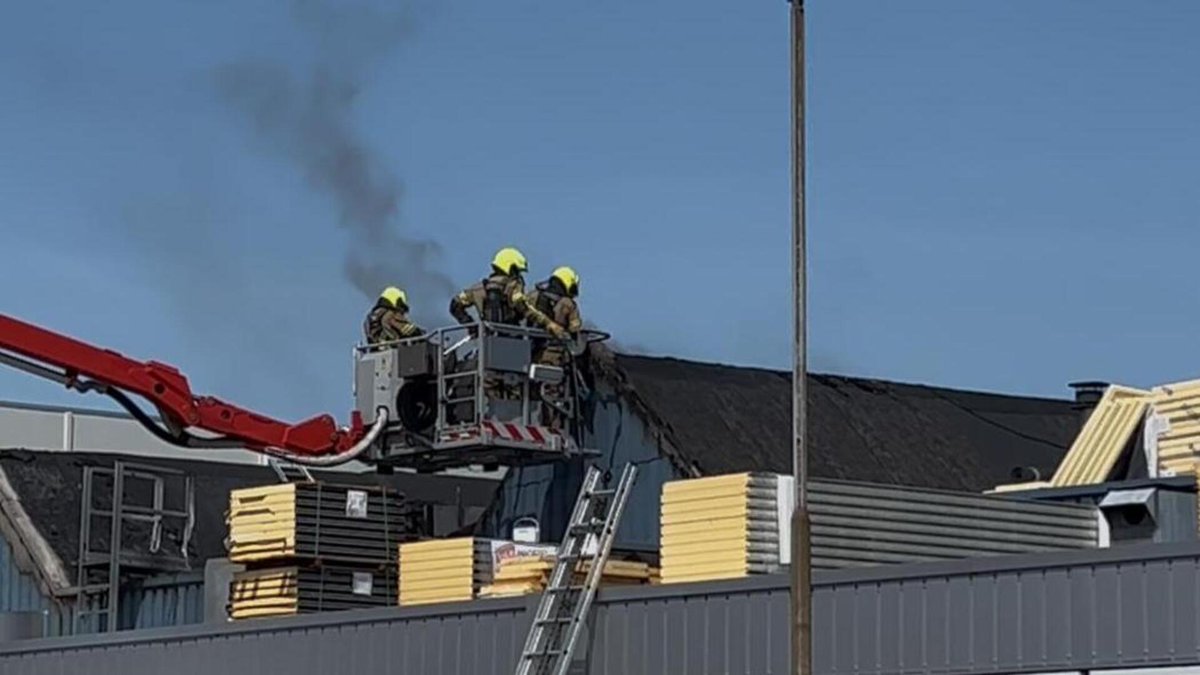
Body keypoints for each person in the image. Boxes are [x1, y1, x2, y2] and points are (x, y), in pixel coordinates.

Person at [449, 247, 565, 337]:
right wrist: (550, 324)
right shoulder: (512, 287)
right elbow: (525, 309)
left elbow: (455, 305)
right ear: (510, 268)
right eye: (516, 271)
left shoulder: (477, 289)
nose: (518, 276)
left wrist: (472, 327)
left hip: (487, 342)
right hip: (512, 341)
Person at [528, 266, 583, 430]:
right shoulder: (568, 304)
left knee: (531, 391)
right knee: (553, 394)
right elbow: (575, 330)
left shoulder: (532, 296)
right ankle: (553, 428)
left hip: (527, 355)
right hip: (553, 357)